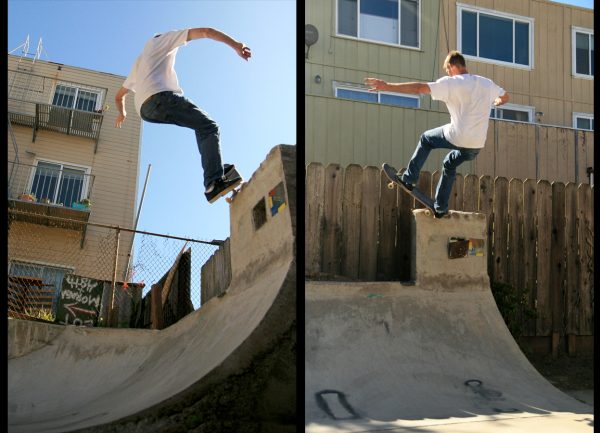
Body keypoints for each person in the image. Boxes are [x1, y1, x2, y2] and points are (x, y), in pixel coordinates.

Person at [365, 50, 509, 218]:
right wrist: (497, 101)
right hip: (476, 144)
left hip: (457, 135)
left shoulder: (451, 83)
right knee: (449, 164)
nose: (447, 73)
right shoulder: (486, 83)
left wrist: (387, 86)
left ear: (452, 66)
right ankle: (440, 207)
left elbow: (419, 88)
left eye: (447, 70)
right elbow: (505, 96)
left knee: (426, 139)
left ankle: (409, 179)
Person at [115, 28, 252, 203]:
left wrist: (122, 113)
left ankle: (215, 171)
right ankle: (214, 182)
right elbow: (206, 32)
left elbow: (119, 96)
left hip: (146, 111)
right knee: (209, 127)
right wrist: (236, 45)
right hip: (161, 97)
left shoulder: (139, 61)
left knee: (200, 126)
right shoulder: (162, 40)